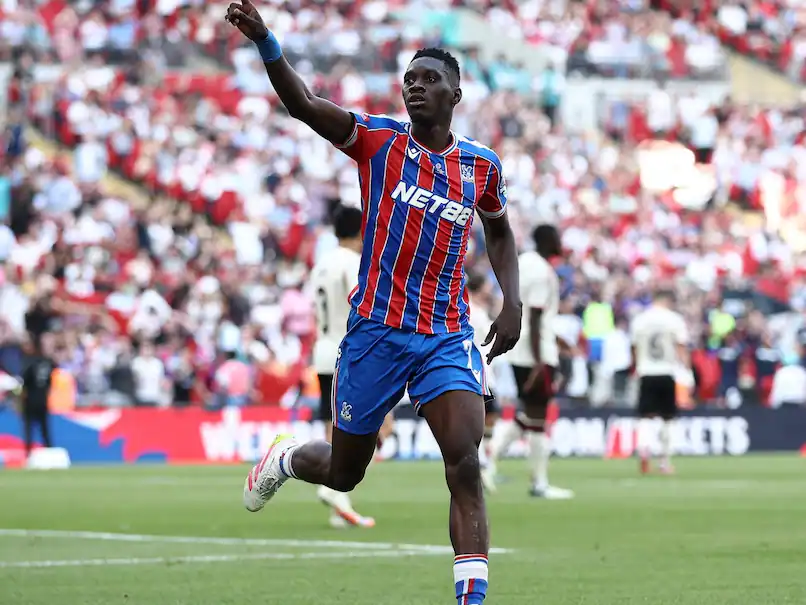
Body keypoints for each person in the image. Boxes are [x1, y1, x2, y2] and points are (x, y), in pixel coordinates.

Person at [228, 3, 522, 603]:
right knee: (344, 471)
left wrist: (510, 302)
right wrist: (267, 43)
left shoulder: (481, 166)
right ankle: (287, 457)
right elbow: (304, 104)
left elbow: (500, 231)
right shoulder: (378, 142)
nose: (416, 87)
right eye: (409, 80)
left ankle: (472, 596)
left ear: (456, 93)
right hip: (376, 333)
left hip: (447, 333)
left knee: (464, 460)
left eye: (429, 79)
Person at [310, 206, 390, 529]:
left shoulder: (321, 264)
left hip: (323, 348)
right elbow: (362, 304)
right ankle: (332, 488)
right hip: (349, 350)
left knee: (335, 425)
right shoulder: (353, 263)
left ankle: (336, 503)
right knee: (374, 428)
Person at [492, 224, 574, 499]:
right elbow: (537, 316)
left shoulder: (523, 262)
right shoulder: (542, 271)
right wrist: (541, 360)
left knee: (530, 414)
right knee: (538, 416)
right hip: (534, 351)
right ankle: (538, 483)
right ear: (549, 240)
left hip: (518, 348)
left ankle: (489, 461)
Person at [630, 290, 690, 475]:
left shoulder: (639, 320)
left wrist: (637, 367)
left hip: (646, 372)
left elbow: (634, 347)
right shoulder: (674, 320)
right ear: (667, 300)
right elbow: (680, 347)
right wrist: (687, 371)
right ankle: (664, 461)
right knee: (667, 419)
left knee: (645, 418)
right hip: (666, 372)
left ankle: (644, 453)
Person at [465, 271, 500, 492]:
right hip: (479, 374)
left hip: (484, 373)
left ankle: (485, 464)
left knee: (489, 420)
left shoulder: (476, 310)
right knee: (484, 420)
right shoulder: (474, 313)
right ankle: (481, 465)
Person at [20, 337, 57, 457]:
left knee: (29, 429)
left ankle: (28, 454)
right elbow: (50, 382)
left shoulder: (29, 362)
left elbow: (24, 382)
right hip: (43, 400)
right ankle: (50, 452)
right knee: (45, 429)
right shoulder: (48, 363)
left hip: (30, 400)